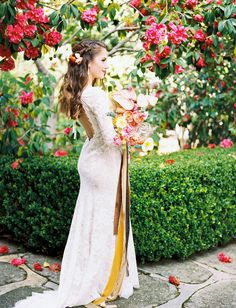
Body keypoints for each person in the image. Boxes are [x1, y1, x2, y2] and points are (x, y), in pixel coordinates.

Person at [12, 39, 139, 308]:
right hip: (102, 163)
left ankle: (94, 279)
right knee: (103, 223)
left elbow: (100, 132)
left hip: (92, 160)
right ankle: (97, 284)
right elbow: (109, 137)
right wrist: (133, 132)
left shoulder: (82, 92)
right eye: (103, 60)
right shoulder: (94, 94)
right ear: (88, 63)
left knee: (92, 221)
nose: (107, 65)